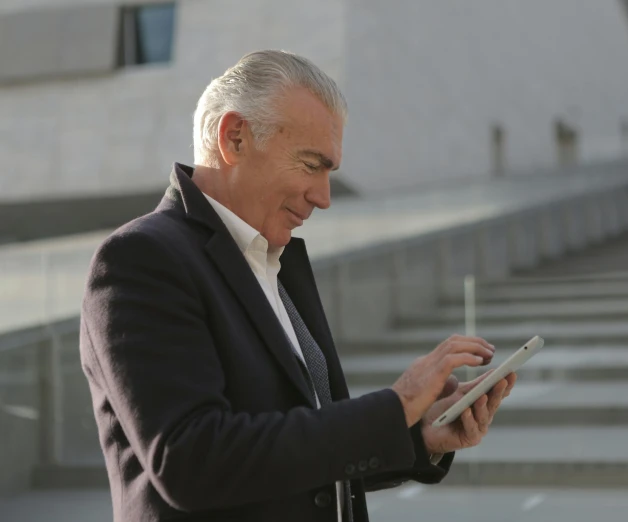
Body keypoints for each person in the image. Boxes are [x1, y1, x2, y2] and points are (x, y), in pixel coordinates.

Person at [80, 50, 517, 522]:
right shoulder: (141, 258)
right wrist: (398, 403)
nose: (324, 198)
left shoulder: (276, 263)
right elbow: (192, 460)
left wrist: (417, 434)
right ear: (235, 138)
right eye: (312, 165)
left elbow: (299, 459)